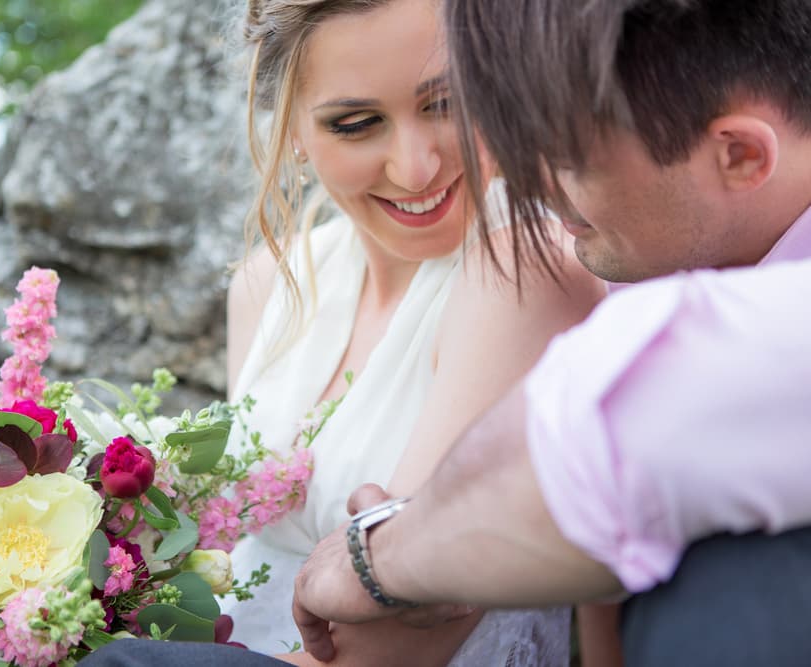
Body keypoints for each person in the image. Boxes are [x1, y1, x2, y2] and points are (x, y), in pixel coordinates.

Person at [80, 0, 603, 665]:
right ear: (293, 126)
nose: (415, 168)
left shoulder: (524, 271)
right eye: (356, 124)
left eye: (448, 104)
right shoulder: (269, 283)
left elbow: (393, 645)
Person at [289, 1, 811, 666]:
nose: (529, 184)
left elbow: (620, 438)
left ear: (740, 155)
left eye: (567, 159)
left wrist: (380, 557)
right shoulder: (658, 244)